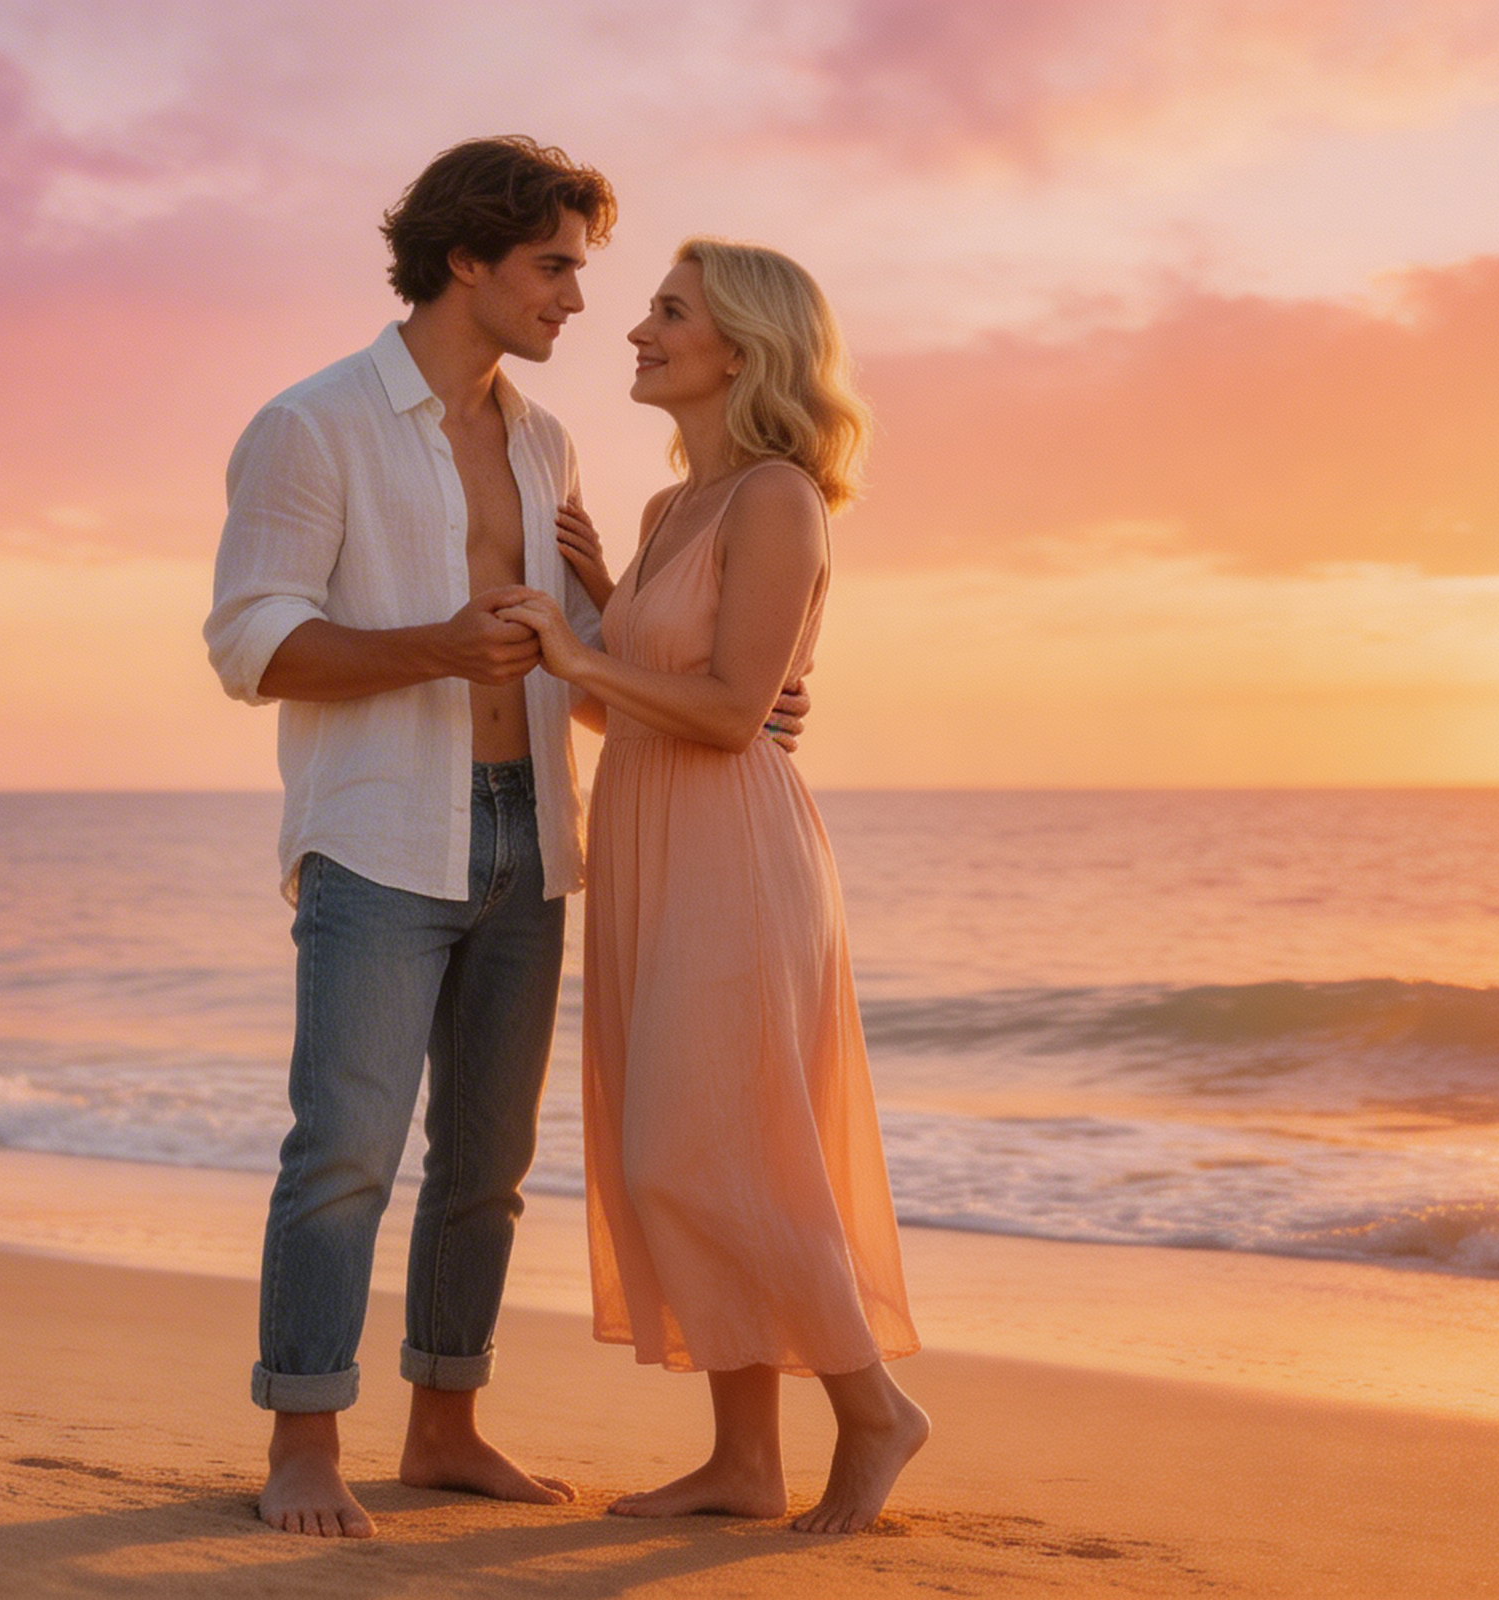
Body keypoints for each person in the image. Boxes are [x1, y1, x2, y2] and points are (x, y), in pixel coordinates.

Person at [202, 139, 814, 1539]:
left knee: (486, 1169)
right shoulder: (312, 425)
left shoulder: (544, 444)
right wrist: (431, 645)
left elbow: (583, 668)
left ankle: (445, 1426)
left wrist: (741, 696)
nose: (578, 302)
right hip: (379, 838)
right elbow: (250, 646)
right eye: (554, 267)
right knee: (345, 1153)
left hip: (531, 836)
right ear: (466, 257)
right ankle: (305, 1439)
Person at [494, 238, 927, 1535]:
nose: (636, 328)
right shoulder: (666, 511)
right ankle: (745, 1462)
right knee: (688, 1146)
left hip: (733, 852)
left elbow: (737, 713)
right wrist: (598, 614)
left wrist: (584, 645)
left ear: (741, 348)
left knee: (711, 1149)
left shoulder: (779, 499)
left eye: (668, 311)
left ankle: (875, 1411)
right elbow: (627, 711)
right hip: (651, 839)